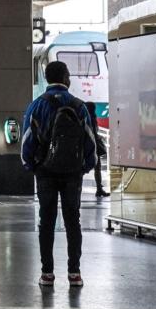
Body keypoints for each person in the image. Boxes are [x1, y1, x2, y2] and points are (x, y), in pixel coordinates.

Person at [21, 62, 98, 287]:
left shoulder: (37, 106)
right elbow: (90, 140)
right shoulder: (78, 106)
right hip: (73, 173)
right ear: (66, 78)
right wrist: (85, 166)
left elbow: (28, 140)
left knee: (46, 220)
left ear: (46, 78)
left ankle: (47, 273)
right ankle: (74, 273)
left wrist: (31, 166)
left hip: (45, 172)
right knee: (73, 220)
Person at [85, 100, 111, 199]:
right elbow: (94, 132)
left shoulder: (85, 117)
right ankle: (99, 189)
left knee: (89, 167)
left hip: (87, 145)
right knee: (97, 167)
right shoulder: (92, 118)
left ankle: (99, 189)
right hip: (93, 145)